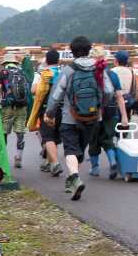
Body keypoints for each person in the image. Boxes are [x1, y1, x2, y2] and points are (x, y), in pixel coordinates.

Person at [44, 36, 115, 200]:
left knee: (70, 150)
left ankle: (75, 178)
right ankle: (74, 180)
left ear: (72, 51)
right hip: (92, 118)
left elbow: (56, 96)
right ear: (89, 50)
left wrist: (49, 114)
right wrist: (99, 107)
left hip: (70, 117)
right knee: (80, 152)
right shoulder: (99, 69)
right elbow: (109, 91)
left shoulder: (68, 70)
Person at [86, 46, 129, 179]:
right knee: (108, 139)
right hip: (111, 112)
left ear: (92, 58)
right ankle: (113, 161)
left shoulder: (88, 74)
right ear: (104, 58)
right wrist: (124, 117)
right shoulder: (113, 75)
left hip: (93, 112)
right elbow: (119, 97)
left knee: (93, 140)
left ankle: (95, 168)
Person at [28, 48, 62, 175]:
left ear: (47, 60)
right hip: (61, 109)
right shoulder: (63, 73)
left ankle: (55, 163)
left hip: (47, 108)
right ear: (58, 60)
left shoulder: (44, 74)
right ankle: (49, 162)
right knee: (55, 137)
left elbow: (34, 91)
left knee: (48, 137)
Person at [0, 59, 29, 168]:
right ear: (16, 64)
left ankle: (2, 158)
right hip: (22, 106)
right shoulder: (22, 73)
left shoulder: (3, 73)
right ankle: (18, 157)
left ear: (5, 64)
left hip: (7, 107)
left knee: (4, 132)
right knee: (20, 132)